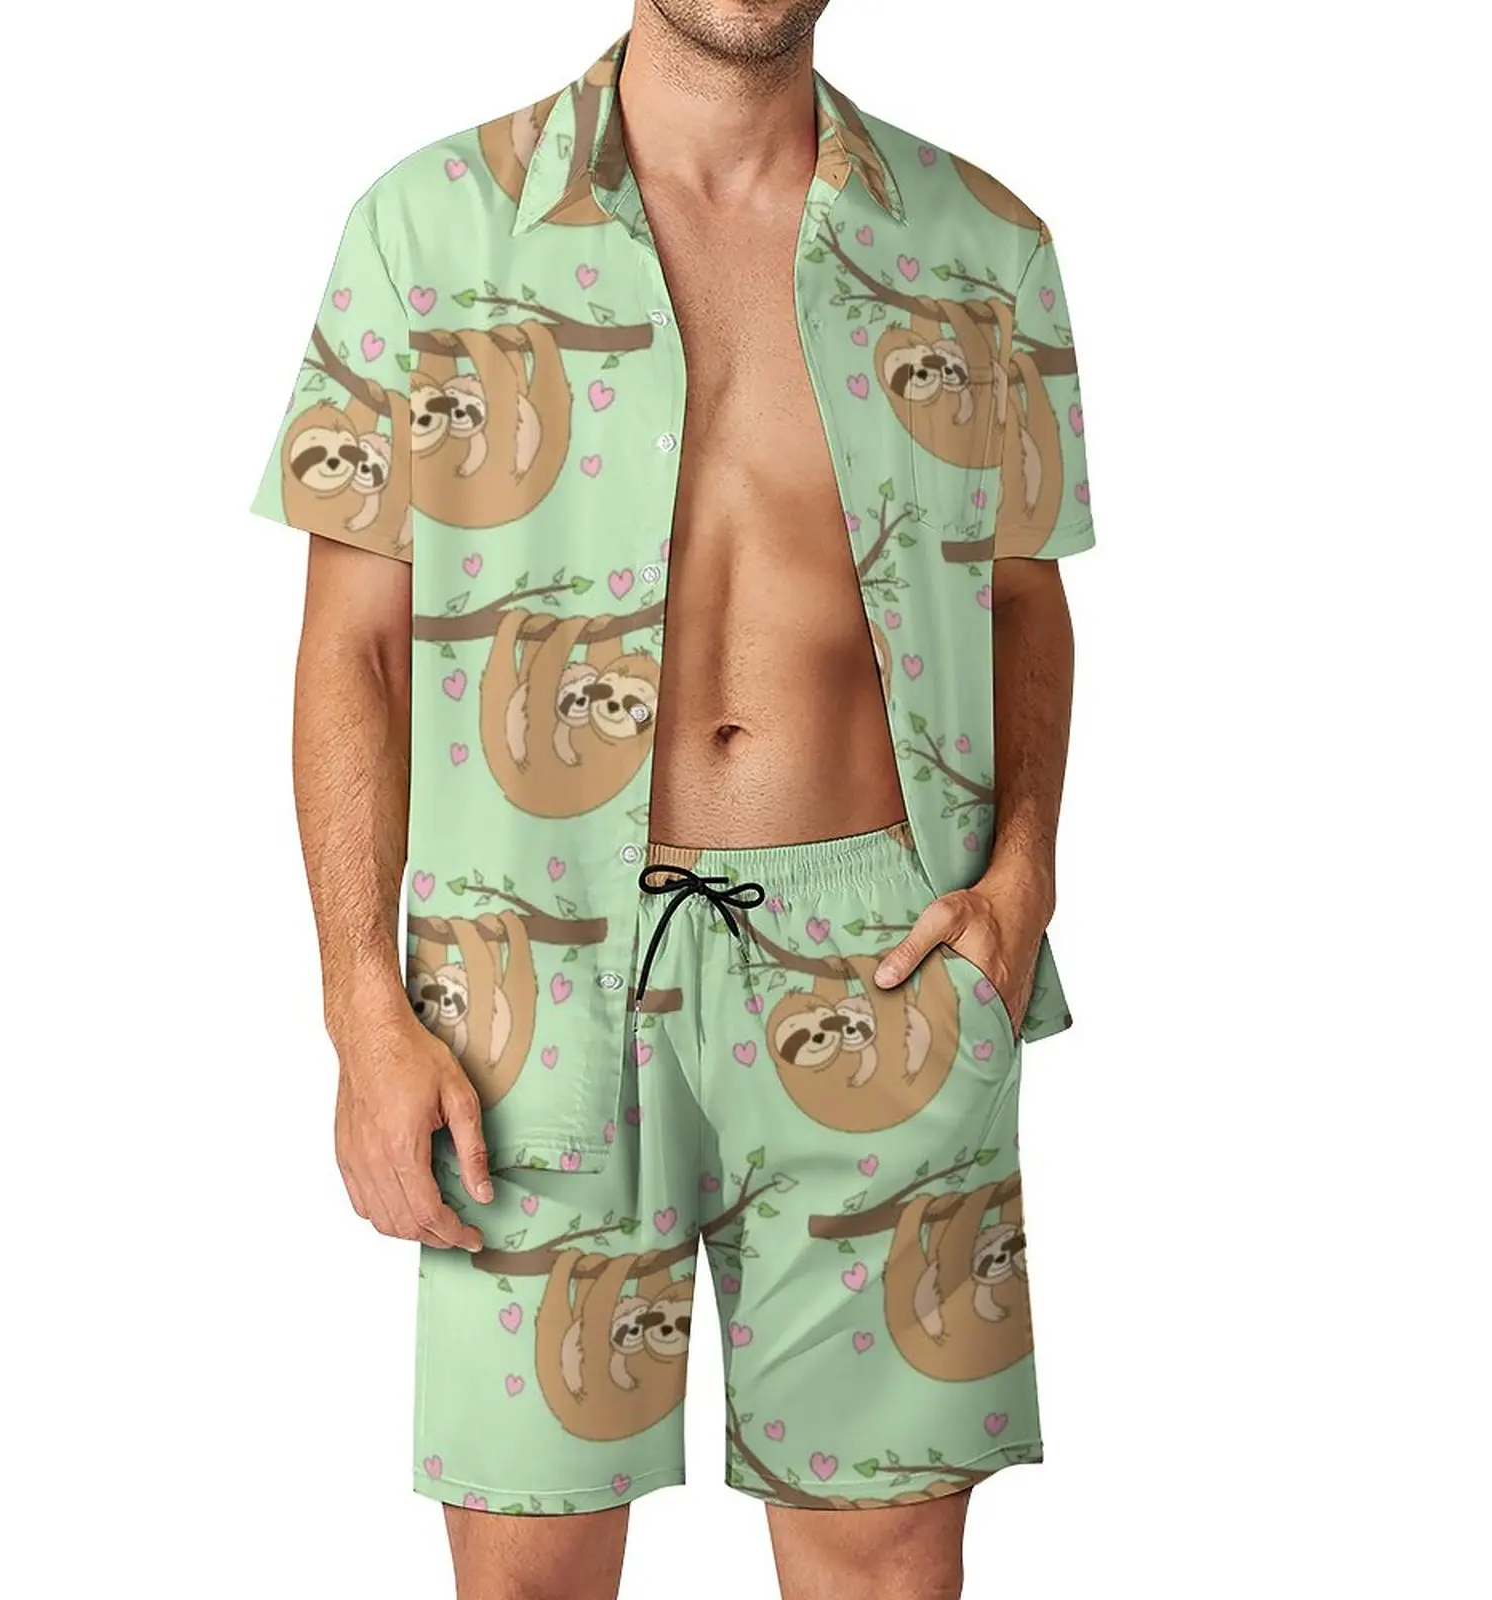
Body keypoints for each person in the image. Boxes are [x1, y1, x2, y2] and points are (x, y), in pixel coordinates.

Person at [248, 3, 1094, 1594]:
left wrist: (1022, 878)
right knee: (529, 1566)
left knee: (884, 1565)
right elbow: (350, 646)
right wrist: (362, 1005)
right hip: (529, 979)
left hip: (890, 963)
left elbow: (1023, 599)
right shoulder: (431, 226)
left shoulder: (983, 247)